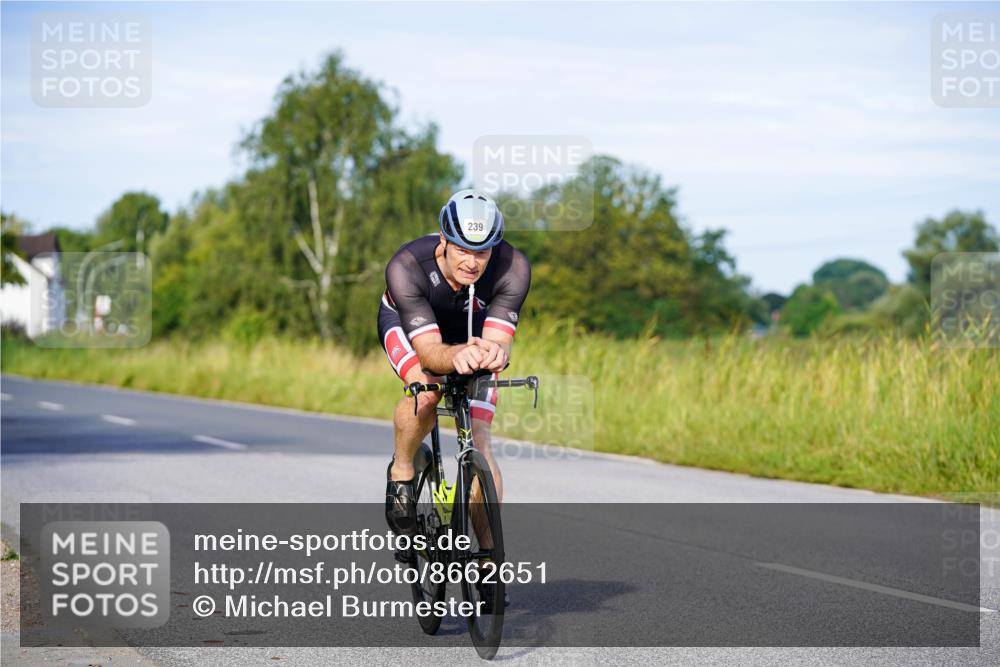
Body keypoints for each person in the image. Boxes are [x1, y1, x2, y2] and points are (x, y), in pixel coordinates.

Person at [378, 189, 531, 535]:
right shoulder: (407, 266)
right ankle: (401, 469)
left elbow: (498, 341)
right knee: (427, 392)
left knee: (481, 439)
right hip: (412, 327)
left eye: (482, 252)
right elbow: (430, 353)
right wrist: (457, 355)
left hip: (471, 330)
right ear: (444, 240)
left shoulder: (514, 267)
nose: (472, 263)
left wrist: (495, 354)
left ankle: (487, 559)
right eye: (463, 248)